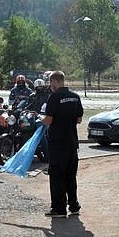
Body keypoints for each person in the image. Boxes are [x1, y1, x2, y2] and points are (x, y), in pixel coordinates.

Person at [41, 71, 83, 218]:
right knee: (71, 176)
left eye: (51, 82)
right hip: (72, 143)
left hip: (58, 144)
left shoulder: (54, 97)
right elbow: (79, 120)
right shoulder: (76, 97)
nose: (50, 86)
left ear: (55, 81)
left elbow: (49, 120)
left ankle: (58, 209)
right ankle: (74, 205)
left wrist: (39, 121)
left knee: (57, 176)